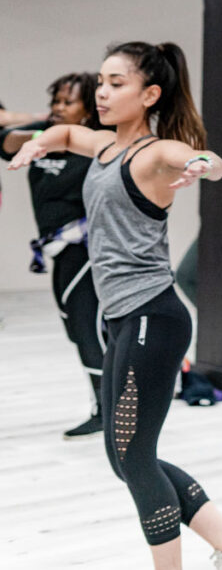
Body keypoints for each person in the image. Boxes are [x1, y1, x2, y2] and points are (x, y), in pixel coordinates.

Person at [7, 42, 222, 570]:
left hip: (153, 317)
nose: (102, 93)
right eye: (100, 82)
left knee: (134, 458)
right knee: (124, 456)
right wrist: (35, 145)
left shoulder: (152, 153)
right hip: (126, 319)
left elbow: (208, 161)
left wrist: (201, 164)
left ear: (149, 95)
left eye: (116, 83)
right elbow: (65, 134)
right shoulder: (103, 145)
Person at [0, 72, 109, 439]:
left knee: (88, 329)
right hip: (59, 251)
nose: (58, 108)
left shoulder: (98, 143)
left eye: (67, 102)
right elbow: (4, 141)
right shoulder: (41, 135)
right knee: (76, 330)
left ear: (88, 109)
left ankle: (108, 410)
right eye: (55, 102)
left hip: (90, 250)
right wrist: (42, 135)